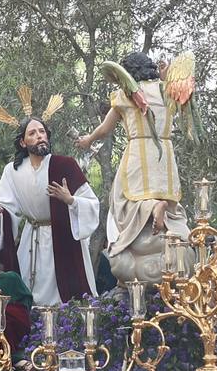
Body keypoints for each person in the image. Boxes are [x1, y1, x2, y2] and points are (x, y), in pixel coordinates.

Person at [77, 51, 192, 285]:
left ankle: (152, 207)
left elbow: (105, 129)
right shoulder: (167, 90)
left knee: (123, 199)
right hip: (164, 156)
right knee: (169, 202)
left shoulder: (126, 94)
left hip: (139, 153)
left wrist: (88, 139)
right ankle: (161, 209)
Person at [0, 110, 100, 307]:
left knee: (63, 301)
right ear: (23, 142)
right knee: (30, 296)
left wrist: (71, 200)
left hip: (63, 243)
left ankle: (67, 325)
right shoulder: (12, 171)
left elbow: (91, 203)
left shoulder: (65, 165)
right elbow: (3, 207)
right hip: (31, 240)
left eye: (42, 131)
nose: (39, 136)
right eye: (32, 133)